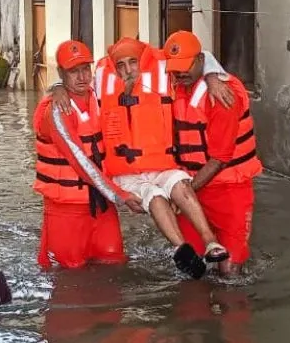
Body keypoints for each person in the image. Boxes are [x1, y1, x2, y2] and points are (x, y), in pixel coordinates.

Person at [97, 37, 230, 279]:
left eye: (133, 62)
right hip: (125, 172)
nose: (128, 70)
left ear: (142, 61)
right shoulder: (100, 77)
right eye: (121, 65)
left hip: (161, 164)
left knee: (180, 183)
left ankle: (211, 242)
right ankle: (181, 249)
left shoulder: (162, 69)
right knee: (154, 196)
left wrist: (212, 76)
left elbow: (200, 57)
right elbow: (72, 80)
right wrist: (57, 87)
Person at [33, 40, 144, 270]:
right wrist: (119, 195)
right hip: (67, 208)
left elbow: (152, 60)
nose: (82, 77)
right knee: (69, 274)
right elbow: (80, 161)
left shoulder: (99, 96)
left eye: (85, 69)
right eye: (74, 71)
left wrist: (213, 73)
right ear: (61, 73)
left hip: (102, 203)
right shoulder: (56, 110)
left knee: (114, 262)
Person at [164, 31, 263, 276]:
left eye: (185, 67)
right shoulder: (175, 84)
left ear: (200, 60)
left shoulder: (223, 96)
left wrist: (184, 194)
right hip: (190, 186)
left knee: (229, 270)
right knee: (191, 266)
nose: (180, 74)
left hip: (229, 190)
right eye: (175, 69)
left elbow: (220, 159)